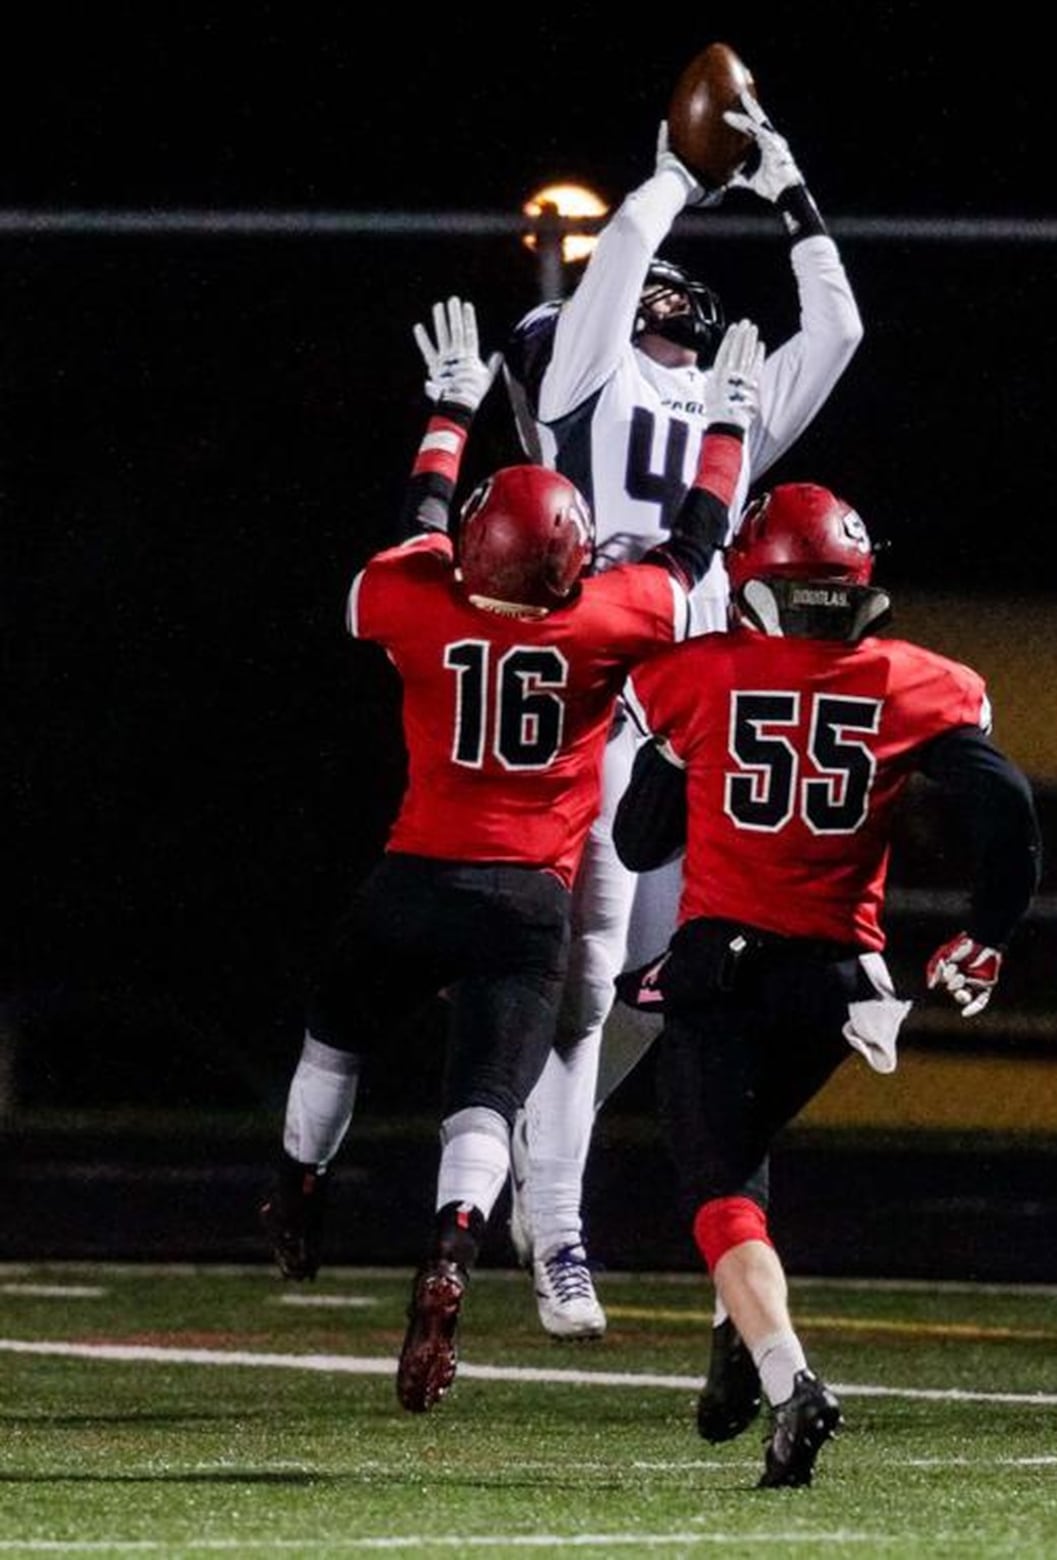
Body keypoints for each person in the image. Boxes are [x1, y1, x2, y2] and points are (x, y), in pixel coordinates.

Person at [257, 296, 765, 1414]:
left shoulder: (417, 605)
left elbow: (416, 524)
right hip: (524, 902)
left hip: (410, 880)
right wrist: (724, 428)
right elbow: (690, 548)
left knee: (333, 1047)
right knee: (481, 1104)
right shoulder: (605, 619)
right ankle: (450, 1254)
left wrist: (448, 411)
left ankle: (297, 1188)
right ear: (574, 562)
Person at [500, 89, 864, 1340]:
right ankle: (558, 1228)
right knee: (592, 982)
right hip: (606, 701)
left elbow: (840, 327)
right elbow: (607, 297)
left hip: (690, 720)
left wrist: (777, 186)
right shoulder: (578, 387)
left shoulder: (724, 408)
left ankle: (551, 1148)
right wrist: (702, 180)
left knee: (656, 990)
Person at [610, 481, 1043, 1486]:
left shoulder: (699, 675)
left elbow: (639, 844)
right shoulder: (909, 681)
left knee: (719, 1190)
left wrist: (681, 753)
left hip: (723, 970)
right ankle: (731, 1350)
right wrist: (986, 934)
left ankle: (787, 1377)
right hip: (842, 987)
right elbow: (1008, 806)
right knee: (743, 1158)